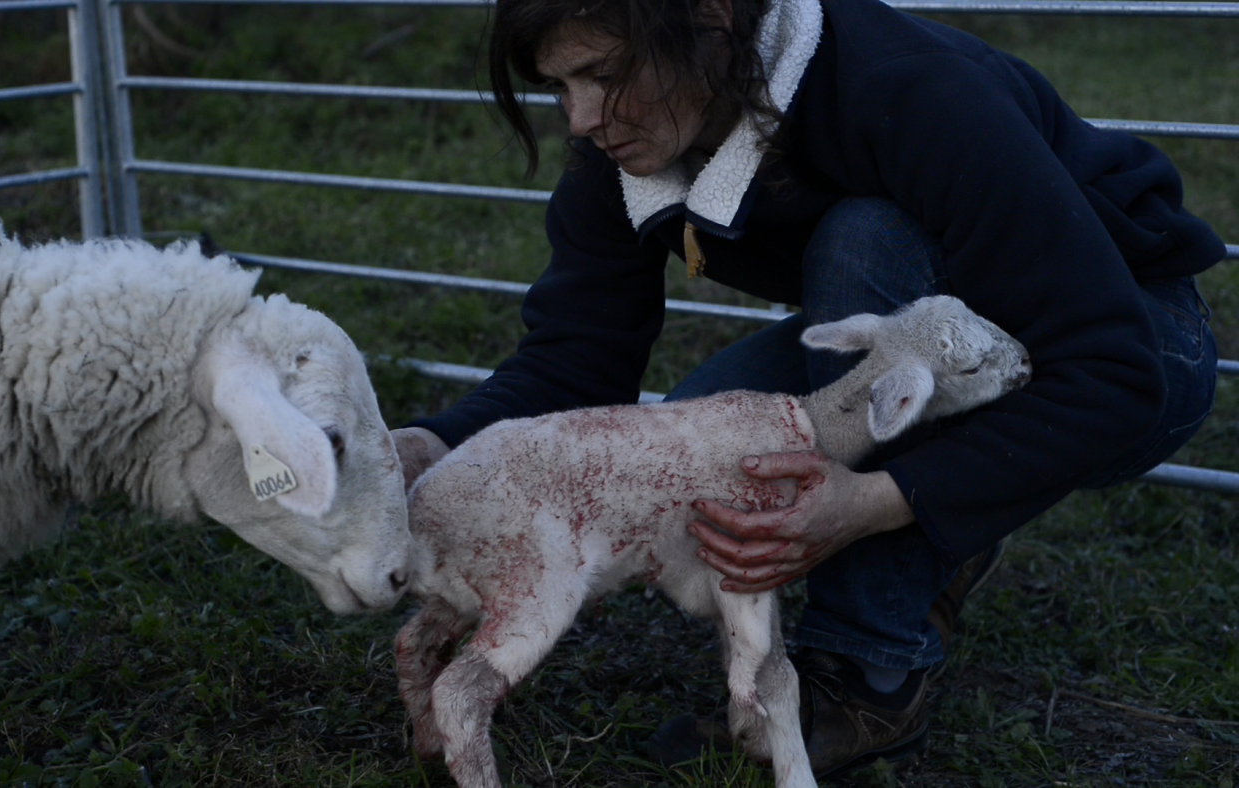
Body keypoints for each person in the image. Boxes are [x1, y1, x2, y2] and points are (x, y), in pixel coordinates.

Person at [390, 0, 1225, 778]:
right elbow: (576, 361)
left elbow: (1114, 373)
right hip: (922, 330)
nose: (581, 118)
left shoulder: (902, 88)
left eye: (606, 75)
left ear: (713, 15)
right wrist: (425, 450)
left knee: (863, 236)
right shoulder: (628, 144)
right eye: (560, 87)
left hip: (1133, 344)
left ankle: (869, 667)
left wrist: (872, 501)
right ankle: (961, 499)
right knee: (703, 443)